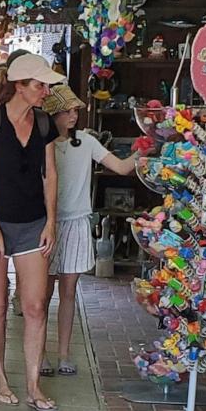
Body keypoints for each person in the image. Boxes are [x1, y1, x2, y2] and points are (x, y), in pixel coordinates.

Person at [0, 52, 64, 411]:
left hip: (32, 222)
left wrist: (51, 221)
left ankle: (34, 385)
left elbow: (50, 174)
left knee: (36, 306)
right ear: (19, 86)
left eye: (47, 85)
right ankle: (0, 378)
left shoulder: (44, 123)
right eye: (39, 85)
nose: (45, 90)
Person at [40, 84, 140, 376]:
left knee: (68, 291)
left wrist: (145, 148)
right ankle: (41, 353)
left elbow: (121, 168)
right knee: (42, 295)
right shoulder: (42, 144)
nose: (73, 116)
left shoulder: (85, 141)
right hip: (48, 222)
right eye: (67, 111)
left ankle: (63, 354)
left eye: (75, 111)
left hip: (77, 221)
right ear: (52, 113)